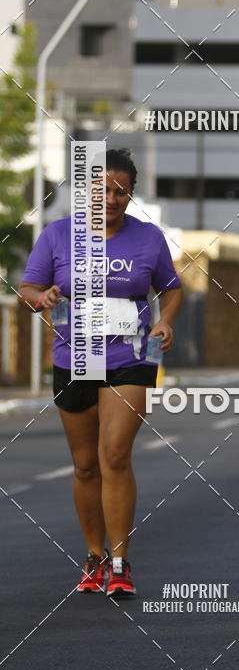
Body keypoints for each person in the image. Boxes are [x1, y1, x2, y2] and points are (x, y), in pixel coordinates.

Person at [19, 148, 183, 597]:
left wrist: (166, 321)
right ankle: (94, 555)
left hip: (132, 356)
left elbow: (171, 288)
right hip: (74, 358)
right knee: (86, 465)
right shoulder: (58, 234)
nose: (111, 199)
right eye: (102, 190)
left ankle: (120, 561)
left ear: (131, 194)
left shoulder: (148, 237)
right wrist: (42, 299)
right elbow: (27, 289)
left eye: (120, 191)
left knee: (114, 455)